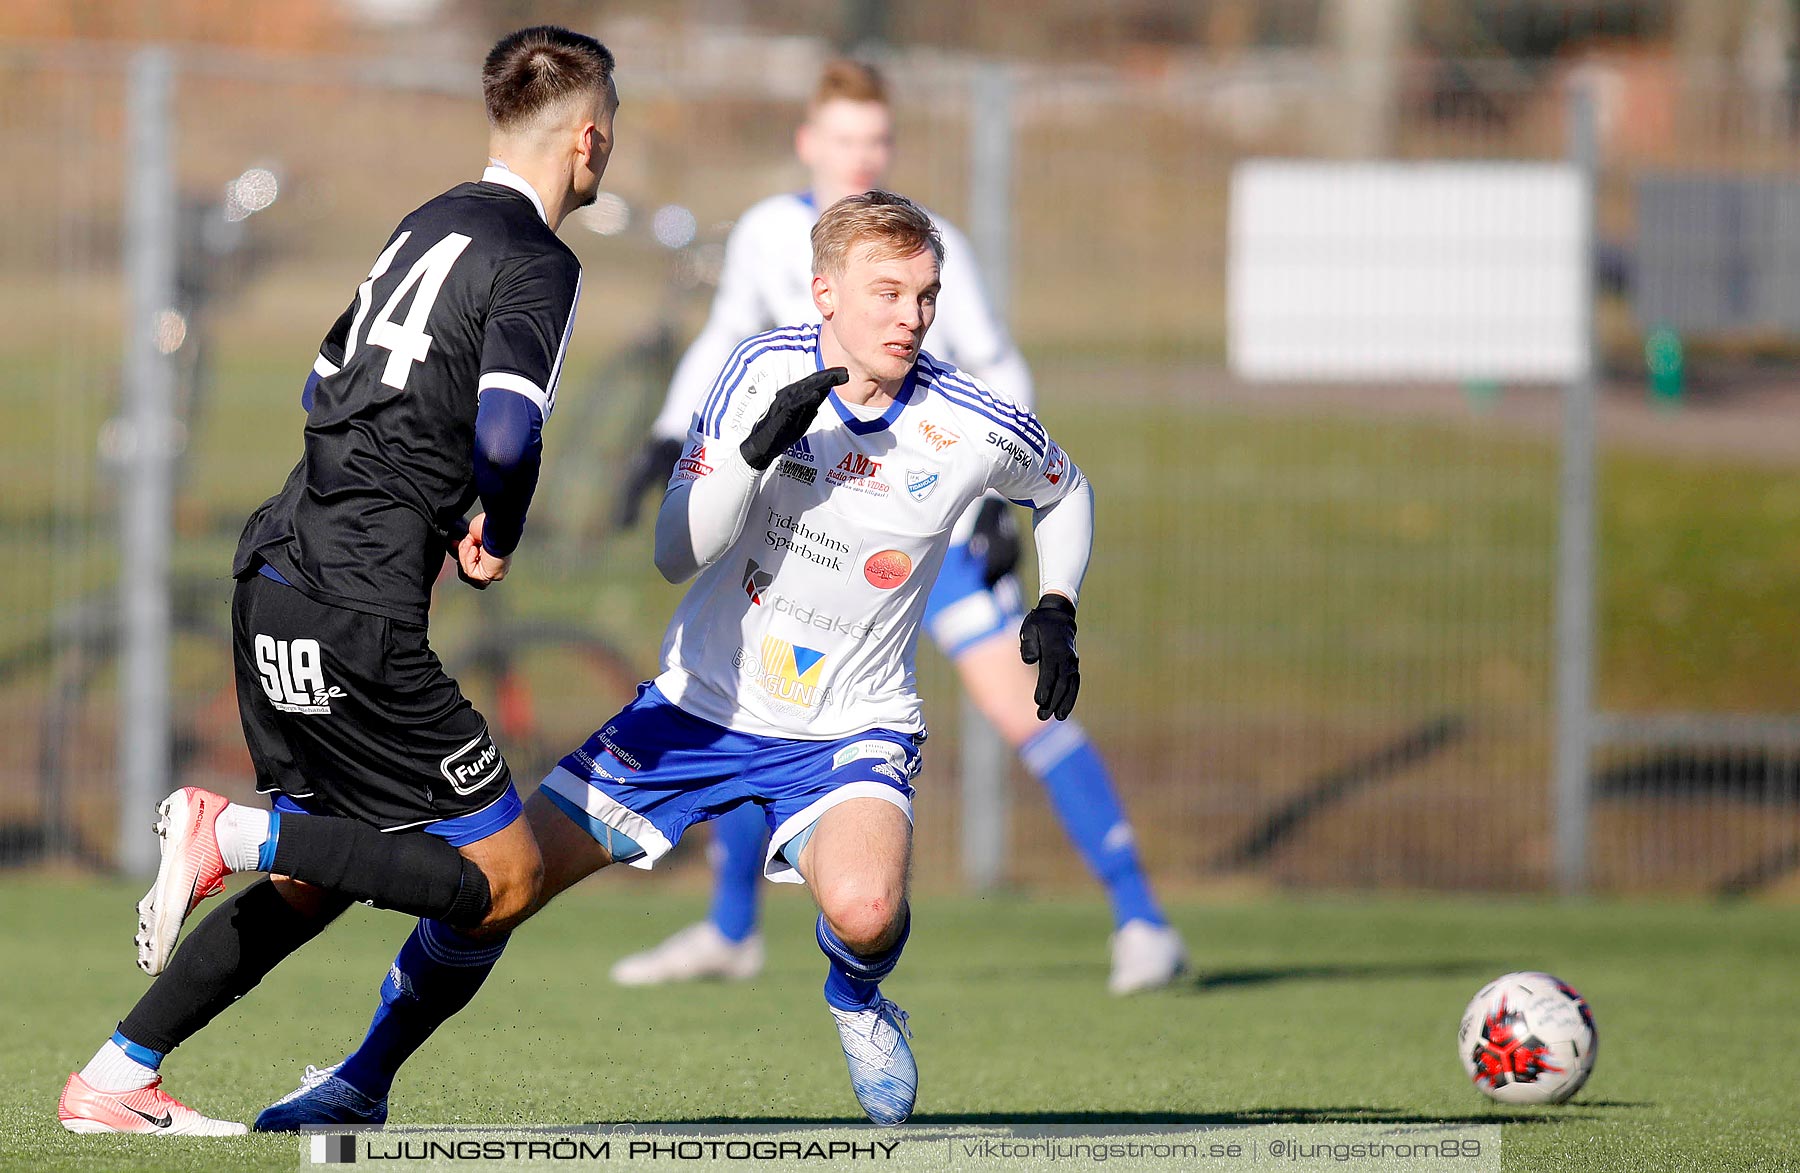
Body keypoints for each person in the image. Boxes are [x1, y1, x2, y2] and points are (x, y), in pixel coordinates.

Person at [262, 190, 1092, 1129]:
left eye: (926, 296)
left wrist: (1056, 604)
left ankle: (859, 998)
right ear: (824, 292)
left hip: (847, 724)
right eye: (888, 291)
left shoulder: (970, 418)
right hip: (693, 709)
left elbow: (1066, 489)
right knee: (500, 888)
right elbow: (672, 553)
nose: (912, 316)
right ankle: (361, 1078)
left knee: (864, 909)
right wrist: (750, 454)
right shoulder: (757, 372)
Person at [56, 26, 618, 1136]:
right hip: (359, 609)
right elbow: (507, 433)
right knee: (498, 882)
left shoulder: (428, 222)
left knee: (324, 873)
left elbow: (328, 377)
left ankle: (116, 1077)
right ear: (590, 140)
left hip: (276, 571)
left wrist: (415, 500)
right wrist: (491, 523)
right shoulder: (539, 262)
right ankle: (233, 835)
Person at [613, 60, 1183, 995]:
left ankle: (1141, 920)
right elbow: (726, 340)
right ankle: (730, 929)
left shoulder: (931, 242)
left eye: (876, 141)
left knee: (1021, 706)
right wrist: (671, 438)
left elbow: (996, 369)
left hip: (926, 530)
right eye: (844, 140)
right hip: (803, 519)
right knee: (753, 695)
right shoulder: (766, 233)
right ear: (810, 142)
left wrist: (1001, 506)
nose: (861, 157)